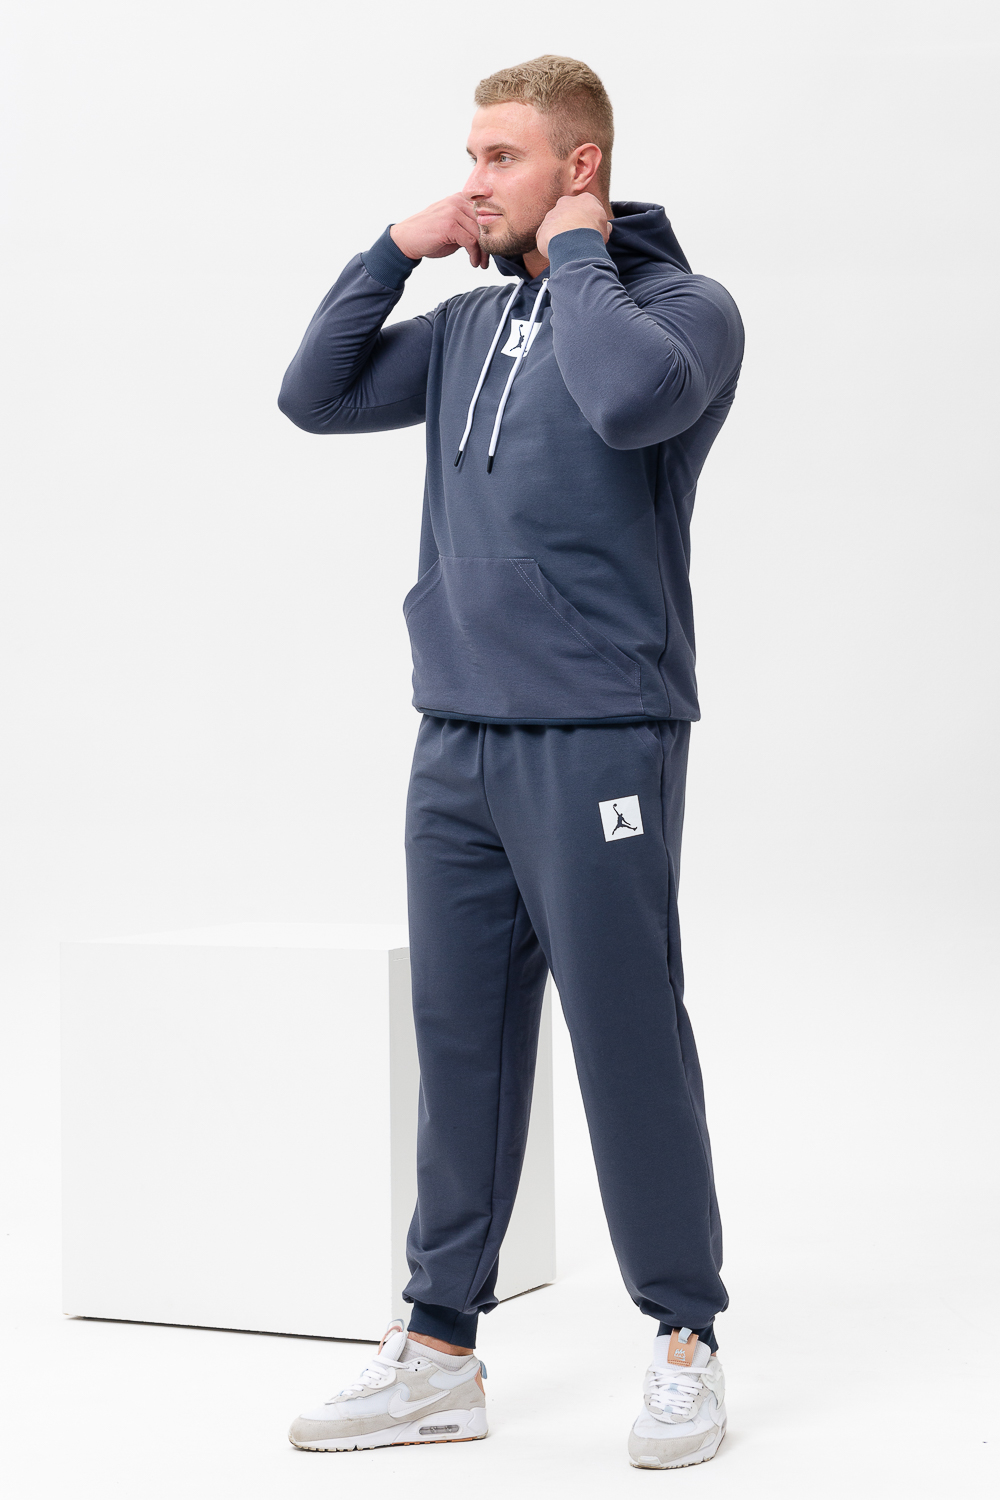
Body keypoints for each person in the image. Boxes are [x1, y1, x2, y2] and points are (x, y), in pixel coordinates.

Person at [277, 54, 744, 1470]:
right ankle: (438, 1351)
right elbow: (314, 395)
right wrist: (394, 249)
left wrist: (584, 255)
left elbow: (626, 403)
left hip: (599, 733)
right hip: (458, 732)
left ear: (578, 167)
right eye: (468, 157)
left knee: (625, 1033)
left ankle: (685, 1340)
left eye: (499, 158)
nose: (471, 183)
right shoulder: (470, 325)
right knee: (462, 1044)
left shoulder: (685, 315)